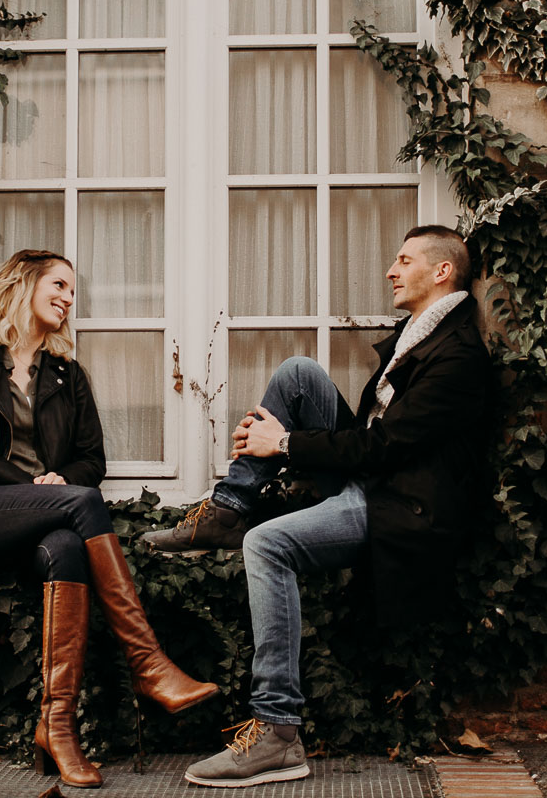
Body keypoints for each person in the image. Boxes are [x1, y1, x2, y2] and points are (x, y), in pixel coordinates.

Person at [139, 225, 494, 788]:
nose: (391, 270)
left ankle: (278, 732)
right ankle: (228, 507)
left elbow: (383, 449)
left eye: (403, 260)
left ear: (442, 271)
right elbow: (372, 440)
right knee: (298, 373)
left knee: (267, 544)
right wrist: (275, 439)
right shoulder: (418, 336)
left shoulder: (458, 357)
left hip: (400, 505)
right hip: (374, 480)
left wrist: (280, 443)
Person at [0, 249, 218, 789]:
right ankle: (149, 663)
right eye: (58, 285)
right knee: (81, 504)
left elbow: (92, 460)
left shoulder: (67, 375)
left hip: (46, 517)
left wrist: (59, 483)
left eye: (72, 291)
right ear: (24, 285)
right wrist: (34, 486)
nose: (68, 298)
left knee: (66, 544)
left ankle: (56, 726)